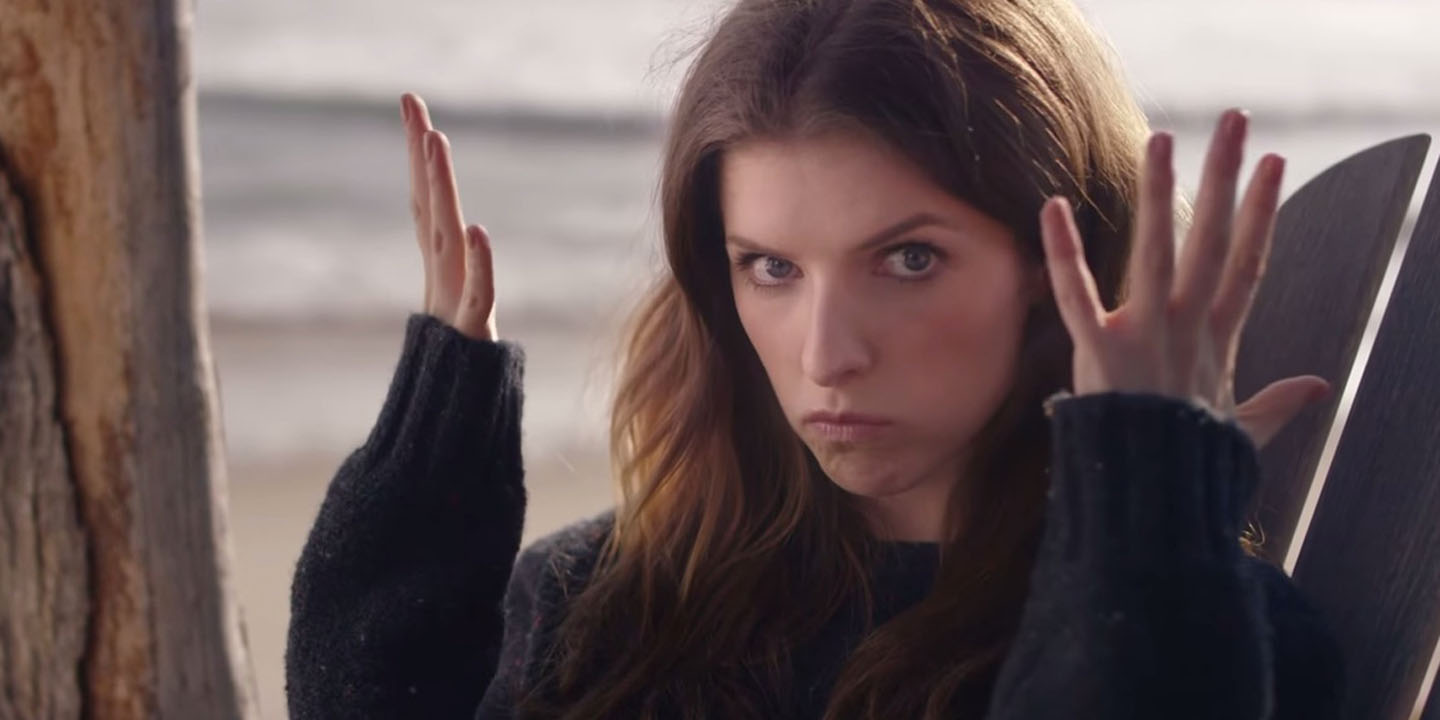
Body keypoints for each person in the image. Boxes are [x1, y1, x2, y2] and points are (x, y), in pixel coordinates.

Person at [285, 0, 1346, 717]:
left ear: (1051, 264)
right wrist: (426, 474)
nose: (827, 355)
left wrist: (1148, 517)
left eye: (910, 258)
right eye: (772, 268)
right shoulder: (598, 604)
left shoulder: (1224, 645)